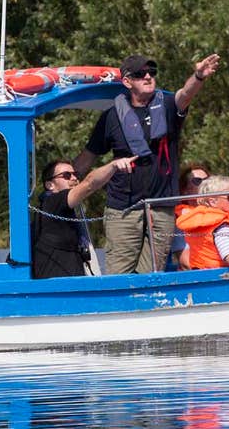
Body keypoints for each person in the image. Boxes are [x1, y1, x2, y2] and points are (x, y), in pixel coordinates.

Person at [71, 52, 221, 274]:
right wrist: (63, 179)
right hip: (123, 208)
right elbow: (88, 157)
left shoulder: (168, 105)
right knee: (119, 275)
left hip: (161, 207)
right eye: (141, 74)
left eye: (152, 72)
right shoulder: (111, 117)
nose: (148, 77)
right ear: (127, 81)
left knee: (152, 275)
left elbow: (186, 94)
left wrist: (198, 76)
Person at [31, 156, 137, 278]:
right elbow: (89, 184)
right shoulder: (53, 202)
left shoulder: (65, 209)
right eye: (66, 175)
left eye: (75, 174)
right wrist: (113, 166)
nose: (74, 178)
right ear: (50, 185)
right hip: (60, 288)